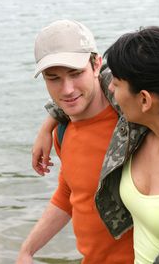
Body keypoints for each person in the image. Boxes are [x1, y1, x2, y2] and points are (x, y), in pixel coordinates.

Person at [36, 26, 159, 263]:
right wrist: (49, 122)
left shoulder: (131, 126)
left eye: (117, 83)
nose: (110, 86)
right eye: (53, 78)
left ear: (144, 100)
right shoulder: (134, 131)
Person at [16, 20, 134, 264]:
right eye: (53, 78)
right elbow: (69, 193)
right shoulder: (62, 130)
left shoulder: (136, 119)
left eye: (75, 73)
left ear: (96, 64)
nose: (67, 89)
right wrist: (27, 251)